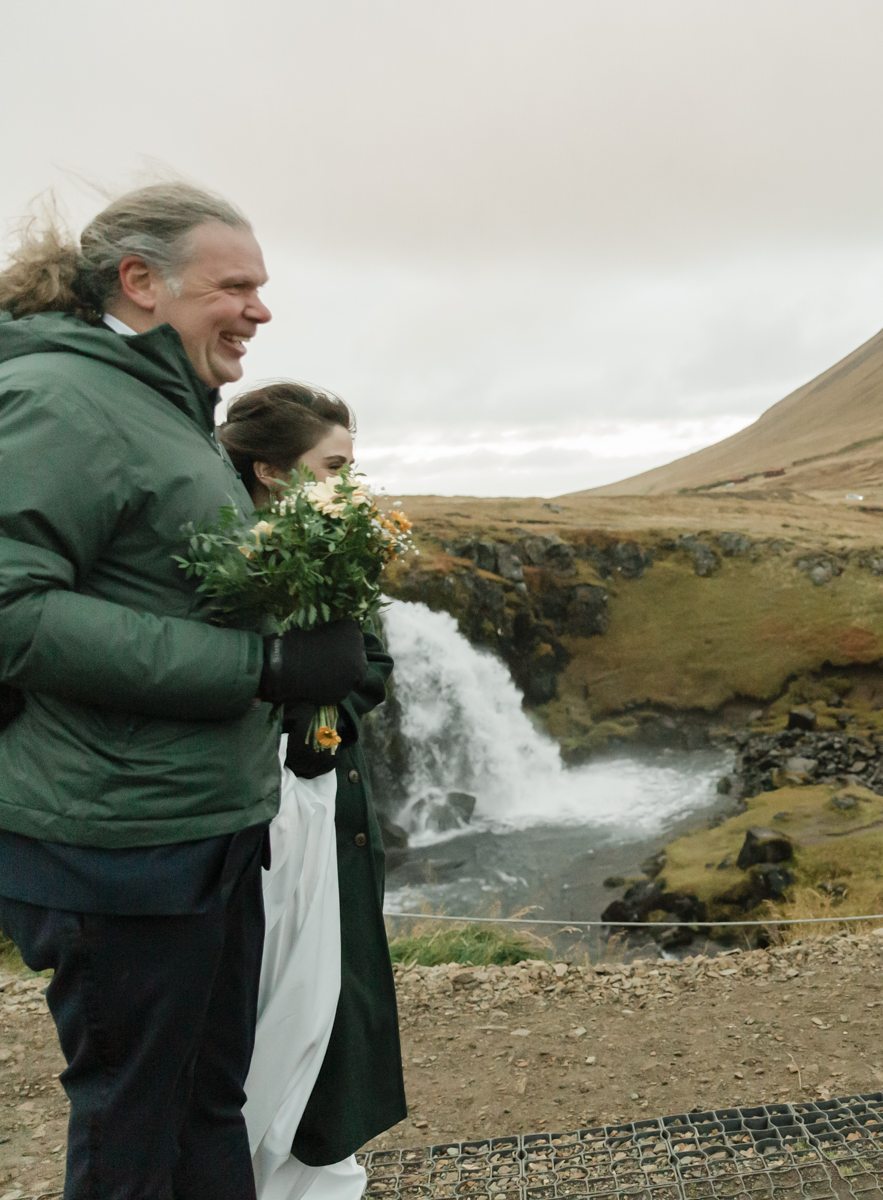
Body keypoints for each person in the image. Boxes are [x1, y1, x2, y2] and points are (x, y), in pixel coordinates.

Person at [0, 184, 367, 1199]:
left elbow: (155, 583)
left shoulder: (162, 407)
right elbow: (10, 608)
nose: (261, 309)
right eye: (235, 285)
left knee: (209, 1104)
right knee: (134, 1122)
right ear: (141, 283)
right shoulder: (63, 401)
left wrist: (297, 640)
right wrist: (263, 671)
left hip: (195, 828)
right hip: (116, 845)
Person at [218, 384, 408, 1198]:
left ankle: (306, 1168)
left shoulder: (337, 550)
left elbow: (372, 665)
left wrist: (326, 718)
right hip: (247, 820)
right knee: (258, 1007)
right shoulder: (214, 547)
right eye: (334, 466)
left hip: (324, 813)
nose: (350, 484)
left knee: (319, 1001)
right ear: (269, 469)